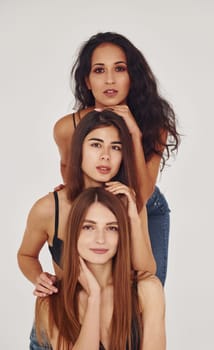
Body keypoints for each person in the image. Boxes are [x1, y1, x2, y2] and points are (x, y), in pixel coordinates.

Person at [17, 110, 155, 349]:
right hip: (63, 323)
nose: (105, 156)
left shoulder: (129, 203)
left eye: (116, 147)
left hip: (114, 323)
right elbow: (26, 255)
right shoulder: (49, 207)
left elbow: (145, 272)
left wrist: (132, 215)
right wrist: (40, 277)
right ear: (79, 149)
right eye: (96, 145)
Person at [53, 32, 180, 286]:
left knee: (145, 290)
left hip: (144, 207)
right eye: (99, 70)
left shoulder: (153, 124)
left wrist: (132, 132)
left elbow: (141, 196)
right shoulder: (68, 127)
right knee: (71, 291)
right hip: (98, 207)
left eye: (119, 68)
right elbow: (71, 175)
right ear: (87, 81)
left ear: (131, 76)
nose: (109, 79)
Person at [35, 187, 166, 350]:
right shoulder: (51, 302)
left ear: (122, 235)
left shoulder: (148, 290)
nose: (100, 239)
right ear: (73, 232)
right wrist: (94, 297)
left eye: (112, 228)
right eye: (88, 227)